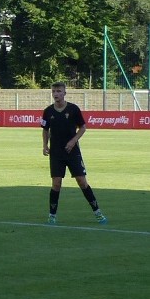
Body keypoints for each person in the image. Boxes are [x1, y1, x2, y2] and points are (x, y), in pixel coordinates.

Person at [41, 82, 107, 225]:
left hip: (73, 151)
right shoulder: (48, 111)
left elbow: (83, 127)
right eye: (54, 91)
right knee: (56, 183)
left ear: (65, 93)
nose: (56, 94)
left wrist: (73, 141)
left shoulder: (73, 109)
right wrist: (45, 145)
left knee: (82, 181)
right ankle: (52, 215)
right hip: (56, 153)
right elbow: (45, 130)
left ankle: (97, 212)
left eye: (59, 91)